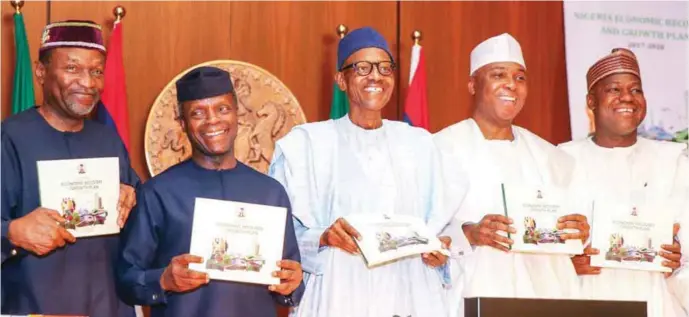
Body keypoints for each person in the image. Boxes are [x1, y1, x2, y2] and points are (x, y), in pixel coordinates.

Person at [268, 26, 456, 317]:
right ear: (341, 79)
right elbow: (279, 234)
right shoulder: (307, 145)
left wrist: (439, 254)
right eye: (362, 68)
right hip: (336, 293)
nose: (376, 76)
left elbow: (444, 231)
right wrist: (322, 237)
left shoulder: (420, 145)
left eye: (384, 68)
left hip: (407, 294)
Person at [116, 66, 304, 317]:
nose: (213, 120)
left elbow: (290, 284)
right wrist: (163, 280)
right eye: (198, 113)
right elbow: (126, 279)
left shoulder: (271, 192)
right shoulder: (157, 193)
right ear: (183, 124)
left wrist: (291, 284)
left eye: (222, 109)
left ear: (237, 114)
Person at [433, 33, 589, 306]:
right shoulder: (440, 148)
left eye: (520, 77)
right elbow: (420, 233)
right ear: (472, 84)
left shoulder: (551, 156)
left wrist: (579, 233)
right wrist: (469, 233)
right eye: (498, 75)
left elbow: (574, 237)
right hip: (471, 295)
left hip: (545, 297)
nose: (511, 85)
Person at [1, 20, 139, 316]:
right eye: (72, 68)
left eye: (96, 71)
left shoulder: (107, 138)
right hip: (35, 306)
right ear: (41, 72)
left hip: (108, 305)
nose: (88, 82)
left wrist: (133, 196)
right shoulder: (10, 138)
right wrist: (11, 232)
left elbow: (144, 220)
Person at [558, 48, 687, 317]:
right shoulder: (560, 160)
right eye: (614, 89)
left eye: (636, 90)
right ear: (591, 101)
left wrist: (677, 262)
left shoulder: (674, 162)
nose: (627, 97)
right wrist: (567, 264)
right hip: (586, 302)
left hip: (658, 304)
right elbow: (540, 252)